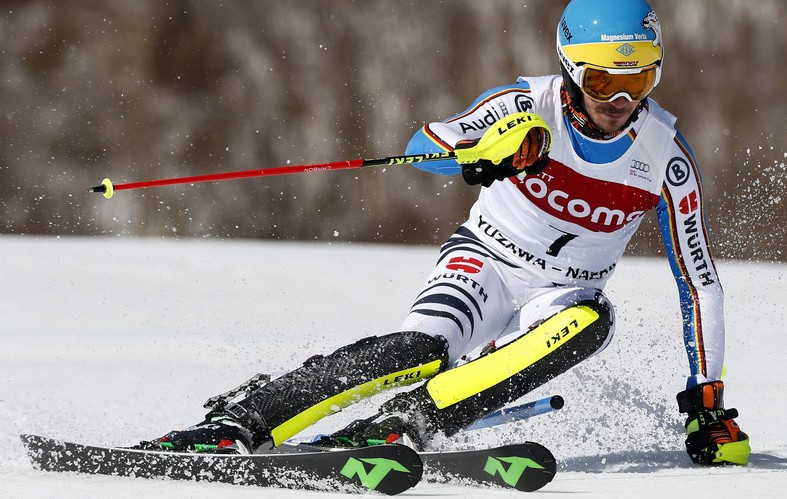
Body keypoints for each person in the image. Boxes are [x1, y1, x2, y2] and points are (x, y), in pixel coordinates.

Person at [145, 0, 750, 466]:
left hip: (559, 298)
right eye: (600, 82)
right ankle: (241, 422)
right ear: (569, 69)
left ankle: (407, 423)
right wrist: (480, 156)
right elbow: (419, 149)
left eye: (638, 83)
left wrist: (706, 403)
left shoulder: (666, 159)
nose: (619, 100)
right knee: (422, 350)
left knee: (593, 321)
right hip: (484, 262)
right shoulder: (524, 105)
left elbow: (698, 281)